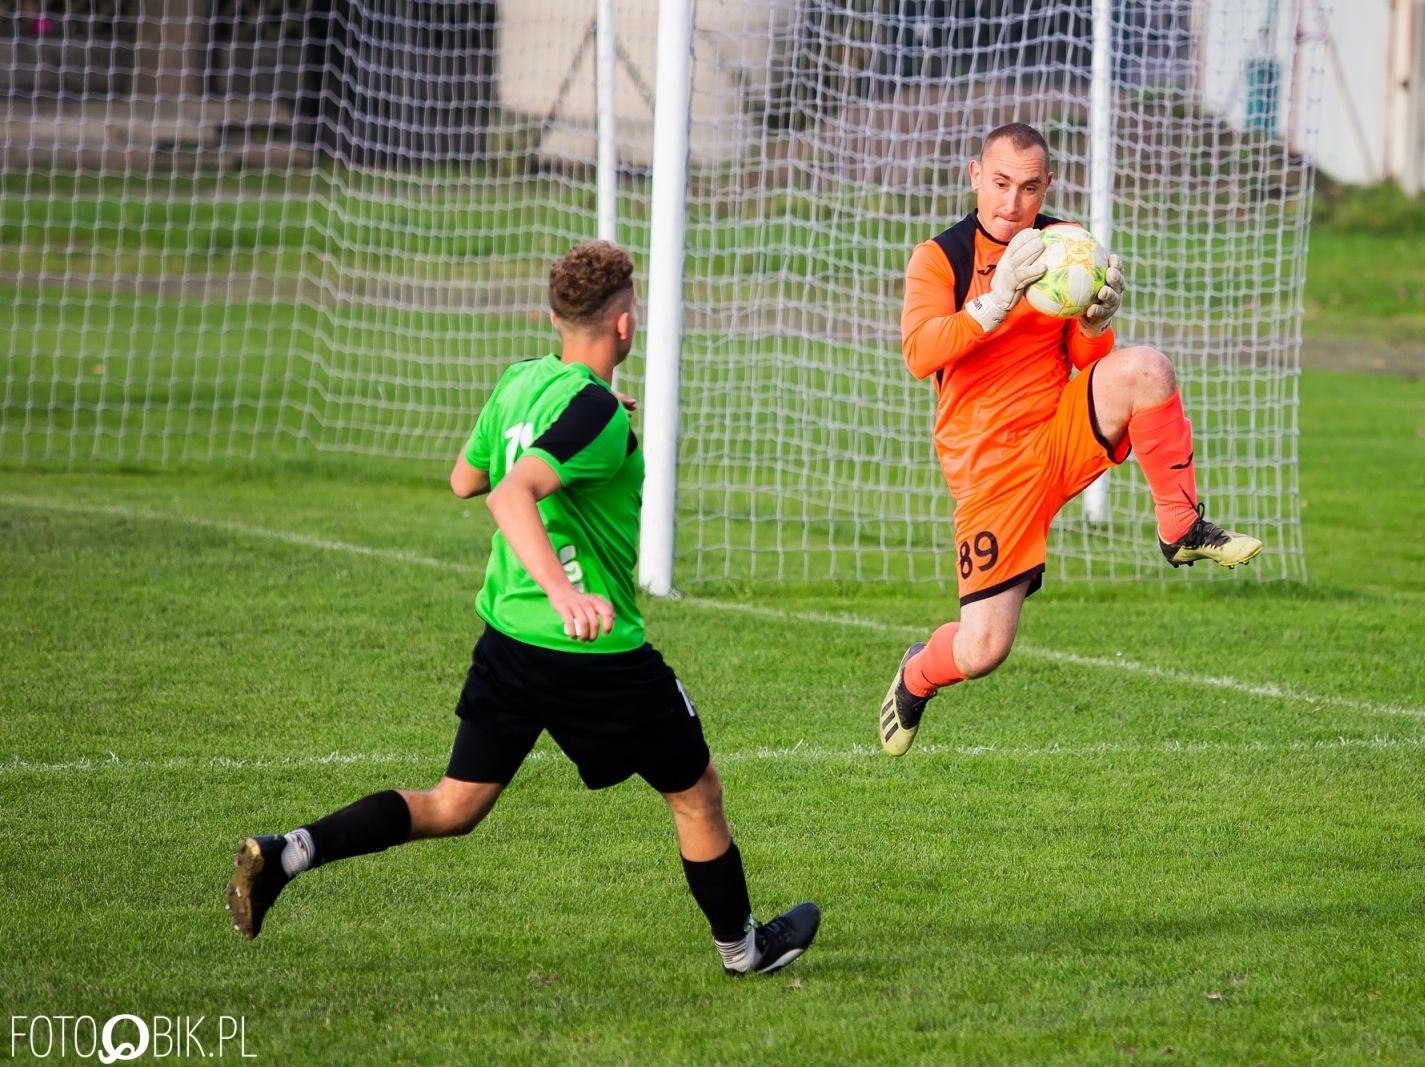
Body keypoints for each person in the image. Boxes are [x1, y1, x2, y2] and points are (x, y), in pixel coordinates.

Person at [228, 241, 820, 976]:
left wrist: (580, 429)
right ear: (627, 325)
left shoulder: (522, 383)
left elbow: (465, 478)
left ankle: (288, 852)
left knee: (453, 805)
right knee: (698, 793)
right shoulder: (595, 414)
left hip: (508, 639)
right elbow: (510, 493)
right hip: (590, 653)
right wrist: (567, 589)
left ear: (553, 318)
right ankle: (744, 949)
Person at [878, 122, 1262, 757]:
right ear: (976, 176)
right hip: (991, 474)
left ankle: (1181, 526)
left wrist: (1095, 320)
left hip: (1058, 430)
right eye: (1000, 184)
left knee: (1148, 369)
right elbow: (920, 352)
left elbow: (1089, 359)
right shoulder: (939, 257)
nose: (1012, 203)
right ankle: (918, 672)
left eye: (1029, 188)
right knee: (984, 650)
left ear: (1047, 184)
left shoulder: (1065, 248)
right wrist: (996, 299)